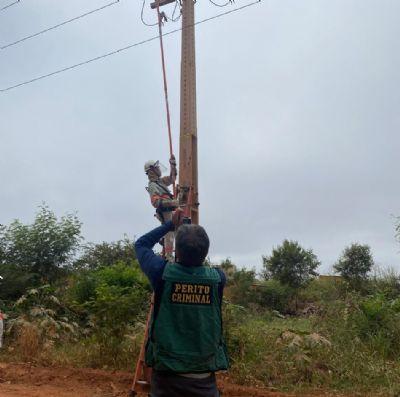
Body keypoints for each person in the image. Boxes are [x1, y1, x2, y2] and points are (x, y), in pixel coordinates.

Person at [135, 210, 229, 397]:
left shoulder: (161, 273)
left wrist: (169, 225)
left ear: (177, 251)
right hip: (204, 381)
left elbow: (141, 244)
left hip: (166, 379)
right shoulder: (218, 279)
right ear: (206, 252)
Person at [144, 156, 178, 260]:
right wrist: (172, 202)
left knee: (176, 230)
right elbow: (156, 202)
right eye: (157, 167)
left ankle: (166, 245)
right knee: (170, 232)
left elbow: (172, 178)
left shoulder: (160, 182)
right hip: (165, 212)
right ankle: (169, 256)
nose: (159, 169)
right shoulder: (153, 185)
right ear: (152, 170)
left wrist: (173, 165)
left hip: (170, 210)